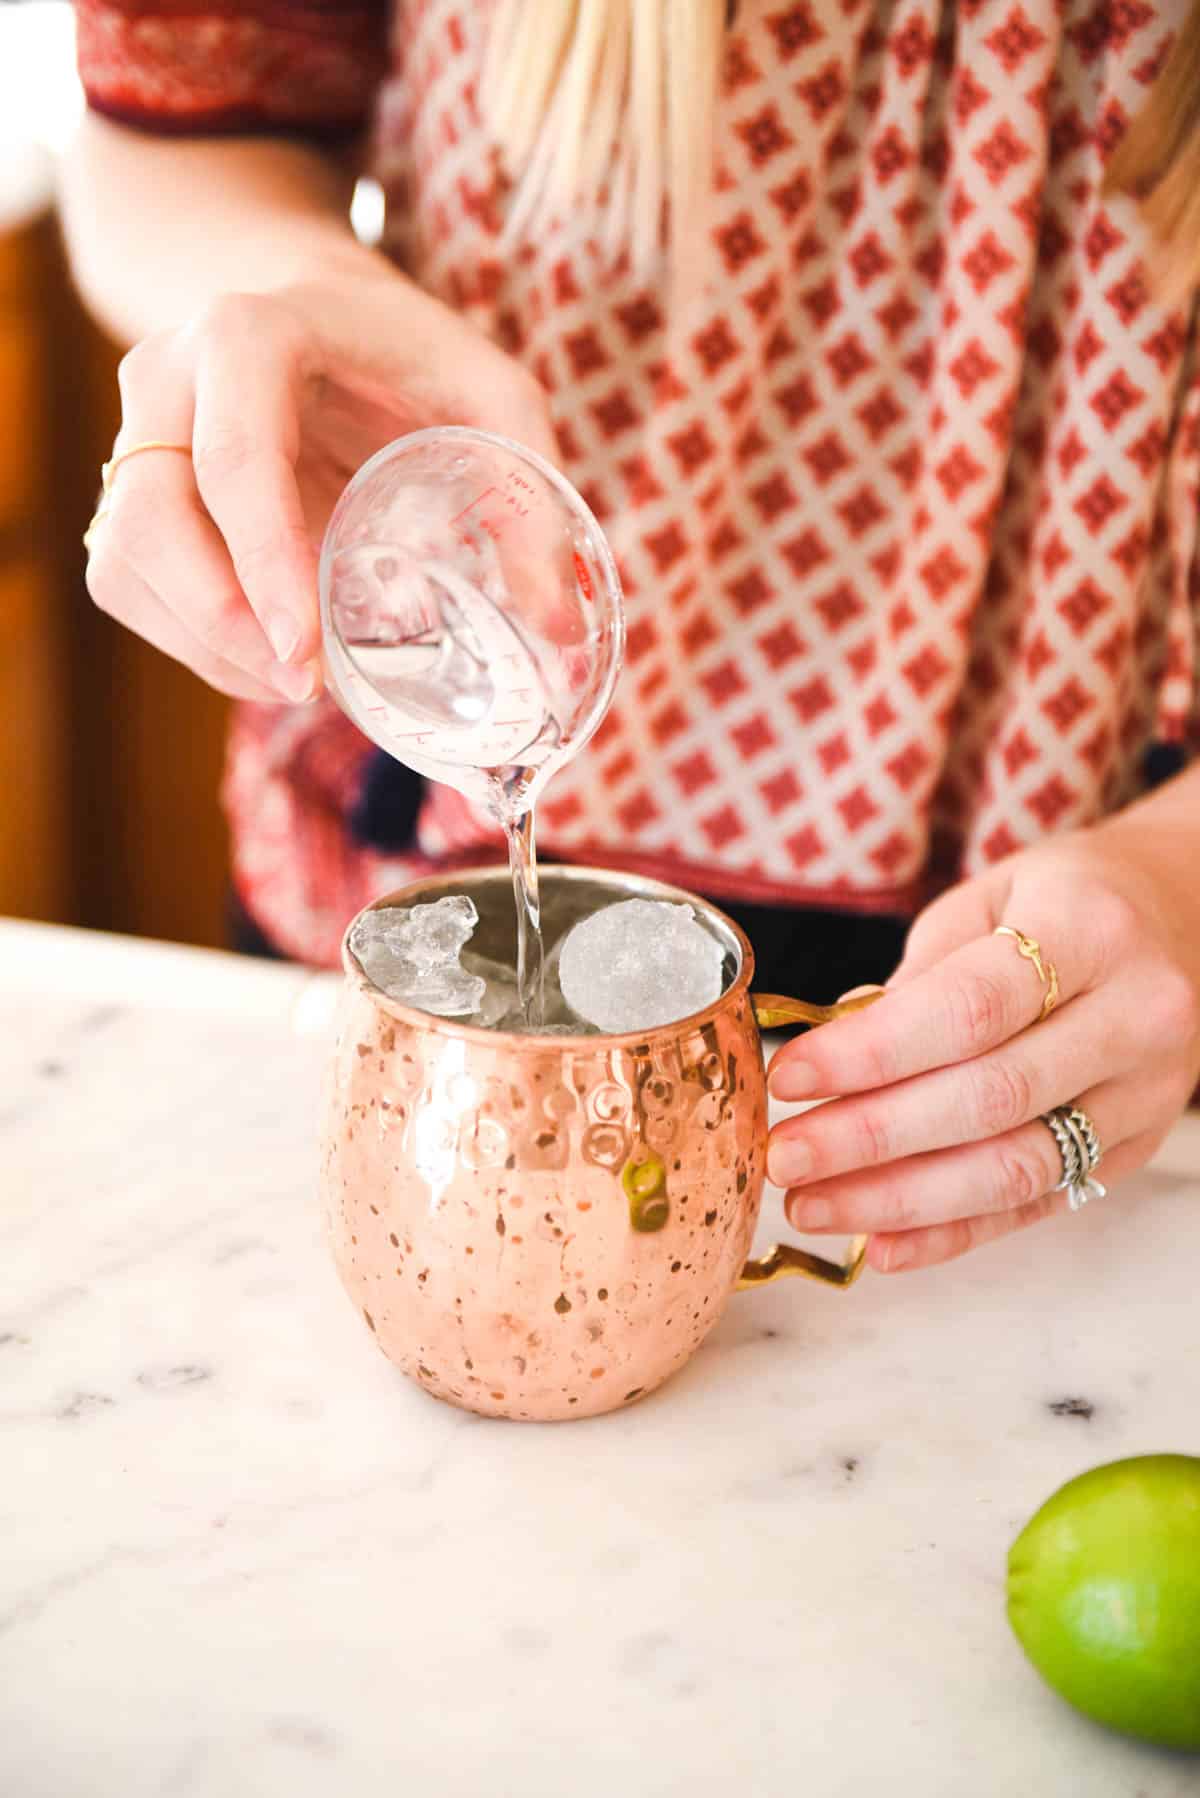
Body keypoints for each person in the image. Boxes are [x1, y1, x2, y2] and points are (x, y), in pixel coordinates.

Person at [63, 0, 1200, 1273]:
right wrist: (299, 292)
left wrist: (1179, 874)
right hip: (408, 860)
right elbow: (174, 126)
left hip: (1062, 981)